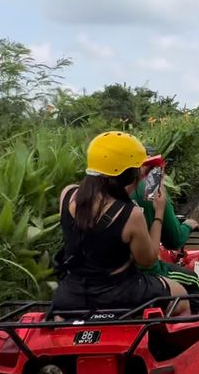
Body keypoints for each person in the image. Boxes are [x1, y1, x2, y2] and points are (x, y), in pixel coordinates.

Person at [52, 131, 190, 313]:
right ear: (128, 175)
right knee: (182, 296)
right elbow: (147, 260)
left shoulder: (67, 194)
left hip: (72, 292)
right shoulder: (131, 215)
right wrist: (159, 212)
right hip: (118, 292)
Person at [132, 147, 199, 296]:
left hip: (105, 275)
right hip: (142, 274)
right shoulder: (152, 188)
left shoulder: (99, 194)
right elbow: (173, 240)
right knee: (193, 280)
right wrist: (187, 226)